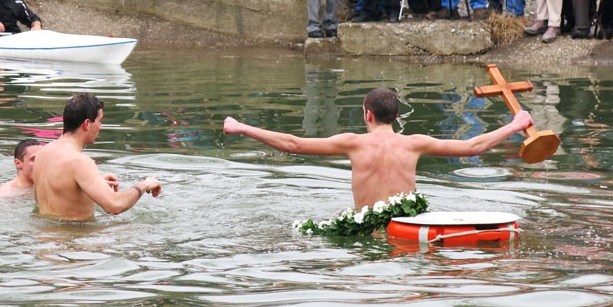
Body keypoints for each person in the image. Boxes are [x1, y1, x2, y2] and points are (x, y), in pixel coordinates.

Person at [222, 89, 533, 209]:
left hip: (364, 230)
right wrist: (516, 124)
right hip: (408, 227)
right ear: (396, 117)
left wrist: (242, 126)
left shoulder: (352, 143)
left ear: (367, 114)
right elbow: (472, 146)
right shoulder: (415, 144)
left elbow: (293, 144)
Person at [34, 93, 162, 220]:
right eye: (99, 121)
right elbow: (115, 205)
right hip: (76, 237)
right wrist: (145, 184)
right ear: (87, 124)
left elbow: (50, 197)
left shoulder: (42, 154)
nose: (101, 127)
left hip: (44, 237)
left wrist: (94, 183)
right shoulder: (79, 161)